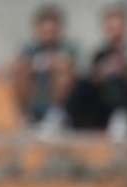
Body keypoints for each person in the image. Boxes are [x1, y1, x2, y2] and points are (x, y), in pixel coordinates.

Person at [66, 2, 127, 135]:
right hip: (106, 107)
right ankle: (66, 119)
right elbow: (94, 79)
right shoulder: (101, 54)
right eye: (111, 27)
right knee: (83, 83)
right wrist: (102, 73)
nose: (115, 32)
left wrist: (125, 66)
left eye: (119, 27)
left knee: (116, 78)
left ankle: (122, 117)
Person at [12, 3, 76, 132]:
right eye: (45, 31)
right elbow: (16, 65)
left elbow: (70, 65)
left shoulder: (68, 47)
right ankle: (27, 116)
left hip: (60, 103)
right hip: (35, 97)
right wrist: (36, 65)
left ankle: (55, 115)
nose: (49, 34)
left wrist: (47, 64)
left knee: (62, 71)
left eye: (52, 31)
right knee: (21, 70)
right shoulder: (29, 49)